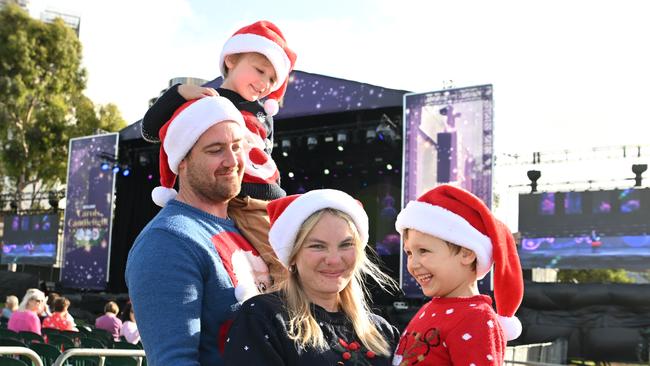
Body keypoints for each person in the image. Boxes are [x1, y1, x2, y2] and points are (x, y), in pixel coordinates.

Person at [141, 20, 297, 287]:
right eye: (259, 70)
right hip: (241, 201)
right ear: (231, 59)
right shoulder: (208, 100)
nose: (264, 83)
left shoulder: (264, 115)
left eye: (272, 79)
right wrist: (178, 93)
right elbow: (151, 129)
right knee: (288, 269)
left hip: (271, 202)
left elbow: (265, 159)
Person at [126, 96, 270, 366]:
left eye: (237, 147)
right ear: (182, 161)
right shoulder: (167, 241)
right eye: (215, 150)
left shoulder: (246, 227)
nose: (232, 160)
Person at [224, 189, 400, 365]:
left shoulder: (381, 330)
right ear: (292, 255)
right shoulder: (264, 318)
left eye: (346, 245)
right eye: (318, 246)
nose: (333, 259)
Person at [391, 184, 524, 365]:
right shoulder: (431, 308)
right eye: (409, 253)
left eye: (423, 250)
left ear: (467, 253)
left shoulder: (476, 319)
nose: (413, 264)